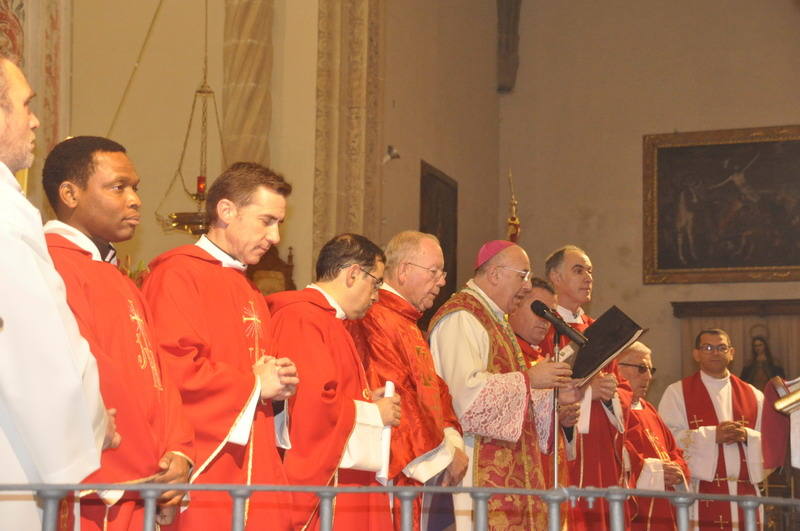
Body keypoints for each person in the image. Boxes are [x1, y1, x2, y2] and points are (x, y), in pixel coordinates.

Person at [42, 136, 195, 529]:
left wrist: (178, 452)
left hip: (142, 479)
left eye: (136, 188)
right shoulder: (51, 266)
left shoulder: (118, 278)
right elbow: (88, 372)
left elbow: (157, 374)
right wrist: (151, 463)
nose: (135, 200)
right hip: (98, 489)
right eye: (118, 187)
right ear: (70, 193)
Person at [142, 162, 299, 530]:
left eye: (279, 223)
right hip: (210, 470)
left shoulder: (250, 290)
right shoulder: (177, 275)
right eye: (266, 221)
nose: (275, 236)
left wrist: (278, 388)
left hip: (255, 468)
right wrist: (257, 385)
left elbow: (257, 375)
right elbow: (171, 370)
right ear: (226, 211)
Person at [0, 54, 114, 528]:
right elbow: (34, 347)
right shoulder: (6, 215)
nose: (35, 120)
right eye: (24, 105)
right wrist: (93, 427)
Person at [429, 240, 574, 530]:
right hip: (475, 467)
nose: (527, 286)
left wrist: (549, 399)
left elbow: (514, 394)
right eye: (522, 276)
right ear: (494, 274)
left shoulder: (496, 321)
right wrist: (531, 380)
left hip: (508, 471)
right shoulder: (463, 317)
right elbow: (463, 399)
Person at [266, 233, 401, 530]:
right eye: (376, 282)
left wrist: (366, 401)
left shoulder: (330, 321)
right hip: (327, 489)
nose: (377, 294)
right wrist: (373, 414)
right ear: (353, 274)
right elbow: (310, 406)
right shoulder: (302, 317)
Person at [346, 230, 467, 531]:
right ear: (403, 271)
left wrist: (452, 437)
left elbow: (436, 389)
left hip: (422, 467)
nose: (441, 281)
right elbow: (393, 392)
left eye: (443, 273)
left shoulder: (408, 322)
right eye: (434, 271)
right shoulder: (375, 317)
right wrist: (445, 454)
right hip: (397, 471)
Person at [541, 244, 631, 530]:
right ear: (555, 277)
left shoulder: (600, 330)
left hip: (601, 453)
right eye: (578, 270)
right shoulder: (543, 328)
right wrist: (589, 392)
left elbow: (625, 392)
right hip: (565, 448)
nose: (588, 278)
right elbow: (535, 383)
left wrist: (610, 393)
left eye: (590, 271)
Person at [659, 329, 765, 530]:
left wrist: (747, 436)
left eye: (721, 347)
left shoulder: (754, 395)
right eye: (707, 348)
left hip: (745, 492)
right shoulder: (677, 393)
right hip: (701, 492)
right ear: (696, 354)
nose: (715, 353)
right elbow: (666, 440)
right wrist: (711, 436)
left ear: (731, 352)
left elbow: (769, 442)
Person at [508, 276, 581, 526]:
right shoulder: (505, 358)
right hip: (519, 482)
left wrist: (566, 423)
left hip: (549, 480)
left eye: (550, 313)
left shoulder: (543, 360)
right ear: (514, 306)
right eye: (539, 309)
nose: (545, 320)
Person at [617, 342, 688, 531]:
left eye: (650, 369)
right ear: (616, 367)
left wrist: (678, 472)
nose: (648, 377)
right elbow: (617, 457)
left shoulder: (649, 409)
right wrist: (656, 471)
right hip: (637, 510)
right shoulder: (612, 411)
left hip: (665, 510)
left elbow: (674, 452)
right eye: (641, 368)